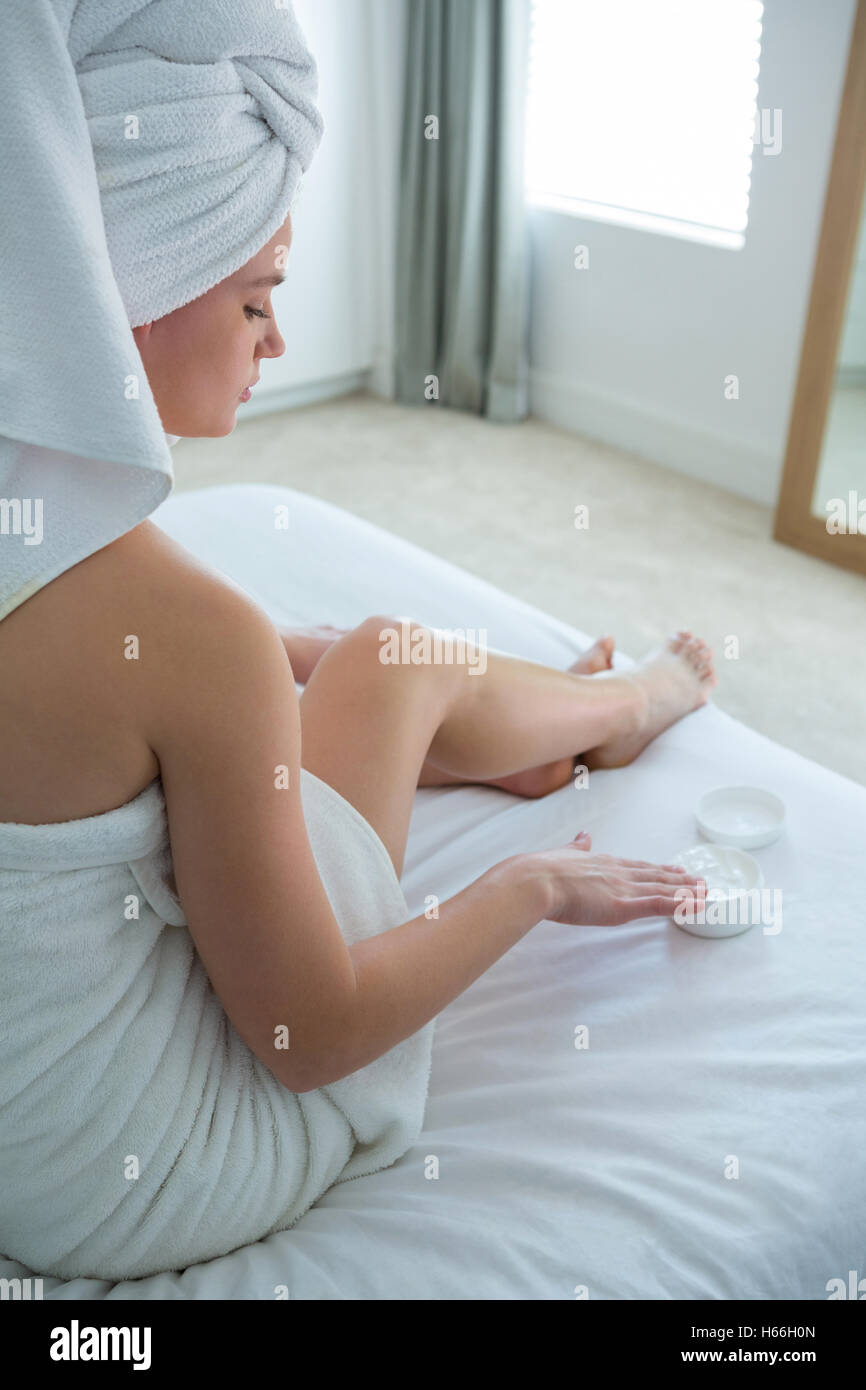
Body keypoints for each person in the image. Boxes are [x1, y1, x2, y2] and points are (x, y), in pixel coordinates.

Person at [0, 0, 710, 1281]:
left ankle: (567, 713)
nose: (280, 340)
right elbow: (306, 1035)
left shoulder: (96, 580)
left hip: (28, 1132)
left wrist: (265, 662)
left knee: (342, 655)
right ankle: (619, 708)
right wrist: (528, 888)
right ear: (130, 295)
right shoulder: (185, 635)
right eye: (260, 296)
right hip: (148, 1167)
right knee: (387, 656)